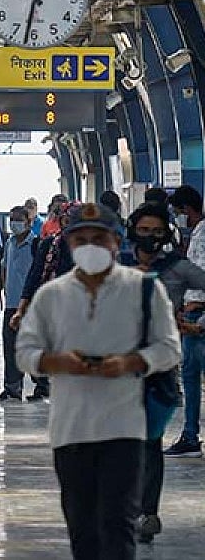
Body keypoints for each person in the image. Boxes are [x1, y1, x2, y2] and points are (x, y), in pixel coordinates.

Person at [16, 203, 180, 560]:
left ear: (115, 241)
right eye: (81, 239)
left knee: (117, 523)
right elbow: (24, 352)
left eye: (99, 238)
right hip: (70, 431)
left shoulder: (144, 291)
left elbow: (169, 349)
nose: (90, 245)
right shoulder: (52, 296)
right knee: (82, 527)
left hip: (124, 428)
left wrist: (132, 362)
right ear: (70, 244)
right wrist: (55, 361)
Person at [122, 204, 205, 543]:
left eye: (157, 231)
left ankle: (147, 512)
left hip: (159, 367)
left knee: (150, 441)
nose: (151, 237)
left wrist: (191, 322)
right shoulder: (115, 266)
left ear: (167, 233)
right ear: (132, 231)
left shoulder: (178, 269)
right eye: (144, 230)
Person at [10, 202, 77, 364]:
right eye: (67, 221)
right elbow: (34, 276)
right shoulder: (49, 245)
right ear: (61, 221)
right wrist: (21, 309)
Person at [166, 184, 205, 459]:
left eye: (178, 211)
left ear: (187, 209)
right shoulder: (197, 233)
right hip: (191, 313)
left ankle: (191, 435)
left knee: (191, 377)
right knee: (190, 376)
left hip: (198, 316)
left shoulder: (202, 234)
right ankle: (190, 433)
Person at [0, 206, 48, 401]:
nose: (14, 223)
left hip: (30, 305)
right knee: (10, 346)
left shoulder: (36, 244)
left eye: (18, 219)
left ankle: (42, 385)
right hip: (11, 304)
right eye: (12, 219)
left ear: (28, 221)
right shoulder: (9, 243)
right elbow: (4, 267)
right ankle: (12, 386)